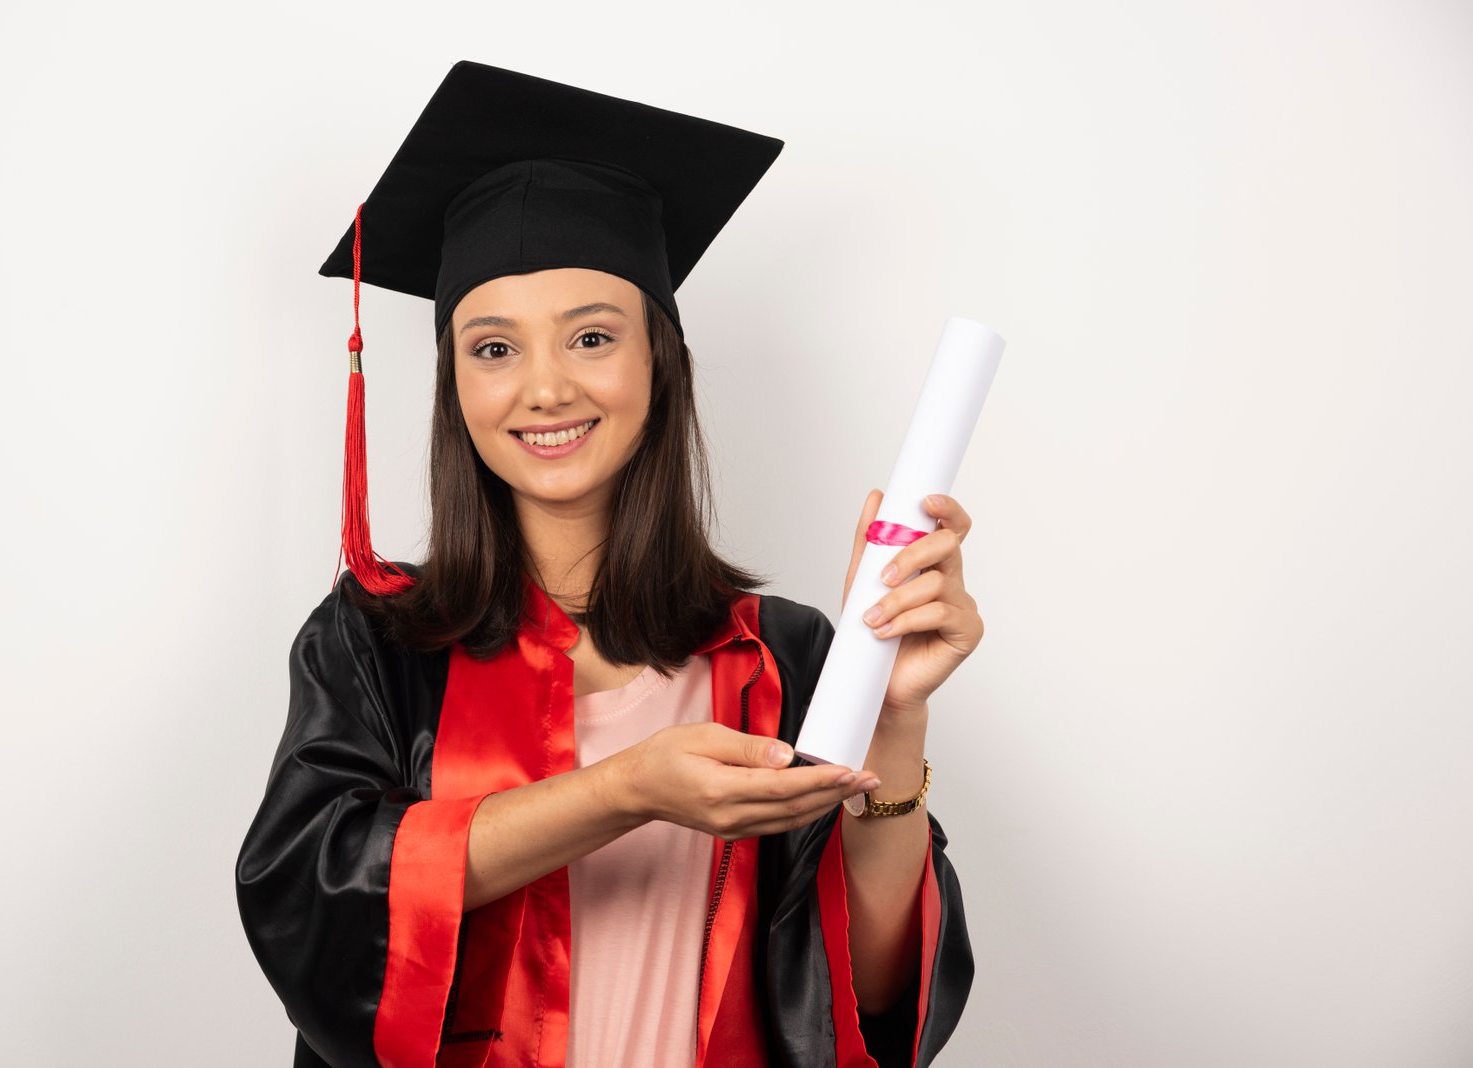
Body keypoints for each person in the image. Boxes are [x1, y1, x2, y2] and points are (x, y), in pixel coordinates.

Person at [236, 60, 979, 1068]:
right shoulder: (378, 642)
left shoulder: (784, 657)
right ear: (455, 385)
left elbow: (873, 1003)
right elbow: (307, 905)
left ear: (656, 361)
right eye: (492, 349)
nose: (543, 388)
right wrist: (625, 790)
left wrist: (892, 717)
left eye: (591, 337)